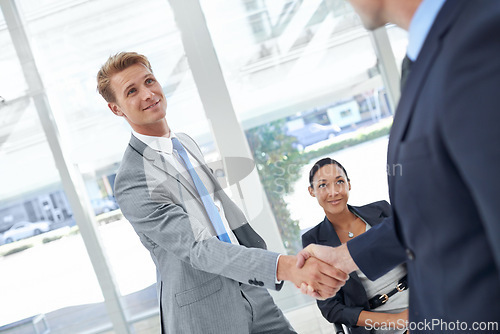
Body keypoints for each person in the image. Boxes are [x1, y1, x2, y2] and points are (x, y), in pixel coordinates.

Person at [96, 52, 348, 333]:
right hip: (206, 316)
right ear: (116, 109)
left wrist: (267, 264)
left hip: (252, 292)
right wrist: (287, 267)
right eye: (132, 91)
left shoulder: (186, 143)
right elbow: (198, 247)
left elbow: (220, 213)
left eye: (149, 81)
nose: (148, 94)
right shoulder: (132, 179)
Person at [298, 0, 500, 332]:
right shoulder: (422, 60)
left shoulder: (480, 41)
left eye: (338, 181)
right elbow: (440, 211)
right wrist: (344, 257)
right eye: (323, 185)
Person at [303, 158, 408, 333]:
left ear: (349, 184)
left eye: (339, 182)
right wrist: (396, 320)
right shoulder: (314, 242)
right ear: (311, 191)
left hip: (422, 303)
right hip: (381, 324)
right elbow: (332, 308)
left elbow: (420, 253)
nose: (333, 191)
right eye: (323, 185)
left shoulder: (381, 210)